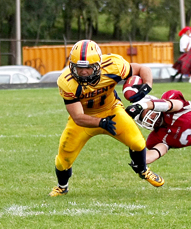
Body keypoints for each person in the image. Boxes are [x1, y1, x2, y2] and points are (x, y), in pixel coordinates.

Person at [49, 39, 164, 197]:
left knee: (138, 143)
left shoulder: (113, 65)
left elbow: (142, 68)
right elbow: (77, 117)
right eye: (79, 68)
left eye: (88, 68)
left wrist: (147, 85)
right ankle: (62, 187)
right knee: (63, 160)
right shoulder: (66, 82)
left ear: (97, 65)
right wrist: (101, 122)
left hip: (111, 110)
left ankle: (143, 170)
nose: (83, 72)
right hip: (85, 119)